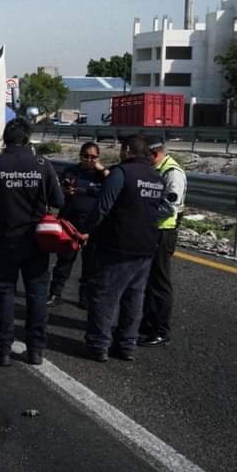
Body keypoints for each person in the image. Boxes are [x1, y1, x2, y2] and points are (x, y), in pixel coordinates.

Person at [0, 117, 65, 367]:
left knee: (4, 294)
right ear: (27, 139)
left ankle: (2, 350)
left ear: (5, 139)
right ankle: (35, 351)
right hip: (36, 242)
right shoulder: (42, 164)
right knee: (36, 295)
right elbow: (59, 201)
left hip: (4, 240)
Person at [78, 135, 165, 362]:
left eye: (121, 149)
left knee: (104, 295)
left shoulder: (121, 173)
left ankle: (98, 345)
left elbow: (103, 206)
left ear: (127, 150)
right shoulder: (156, 177)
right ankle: (126, 346)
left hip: (118, 245)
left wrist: (85, 229)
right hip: (146, 247)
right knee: (133, 299)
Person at [46, 142, 109, 309]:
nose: (89, 159)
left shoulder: (102, 175)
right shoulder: (71, 171)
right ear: (80, 156)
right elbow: (57, 190)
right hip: (70, 222)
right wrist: (64, 191)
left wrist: (100, 168)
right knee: (64, 262)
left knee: (90, 265)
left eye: (93, 157)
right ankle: (55, 293)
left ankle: (85, 297)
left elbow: (113, 186)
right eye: (86, 156)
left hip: (92, 225)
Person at [139, 136, 187, 347]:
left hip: (163, 232)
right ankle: (147, 324)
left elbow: (169, 207)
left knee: (159, 282)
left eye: (146, 156)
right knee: (148, 281)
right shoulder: (157, 168)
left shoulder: (172, 173)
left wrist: (142, 215)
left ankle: (160, 330)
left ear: (155, 154)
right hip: (152, 231)